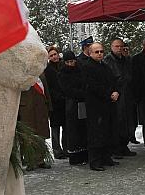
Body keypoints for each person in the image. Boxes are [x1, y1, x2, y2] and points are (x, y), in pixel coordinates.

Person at [84, 42, 119, 171]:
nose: (100, 54)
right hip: (95, 106)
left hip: (107, 105)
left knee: (107, 132)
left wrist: (115, 91)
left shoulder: (105, 66)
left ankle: (106, 157)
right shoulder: (87, 67)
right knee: (96, 134)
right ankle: (95, 161)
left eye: (101, 51)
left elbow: (113, 80)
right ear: (90, 53)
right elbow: (93, 86)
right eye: (97, 52)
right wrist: (109, 94)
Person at [103, 37, 137, 157]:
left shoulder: (126, 60)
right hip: (116, 94)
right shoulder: (108, 60)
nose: (119, 48)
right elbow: (108, 79)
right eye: (116, 46)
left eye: (121, 46)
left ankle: (124, 145)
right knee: (117, 121)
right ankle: (115, 147)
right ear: (111, 47)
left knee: (127, 121)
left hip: (127, 93)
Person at [58, 50, 88, 166]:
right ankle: (75, 157)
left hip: (82, 103)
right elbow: (67, 90)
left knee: (83, 129)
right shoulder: (62, 74)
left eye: (73, 61)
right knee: (73, 130)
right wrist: (80, 93)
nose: (71, 64)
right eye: (68, 62)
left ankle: (85, 154)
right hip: (72, 104)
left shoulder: (80, 70)